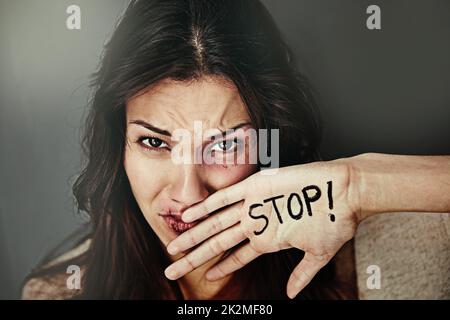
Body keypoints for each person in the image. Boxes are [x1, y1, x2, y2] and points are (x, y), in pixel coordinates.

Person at [21, 0, 450, 300]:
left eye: (224, 145)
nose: (188, 194)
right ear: (120, 148)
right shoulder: (59, 292)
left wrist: (357, 186)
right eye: (154, 142)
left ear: (271, 140)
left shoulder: (393, 253)